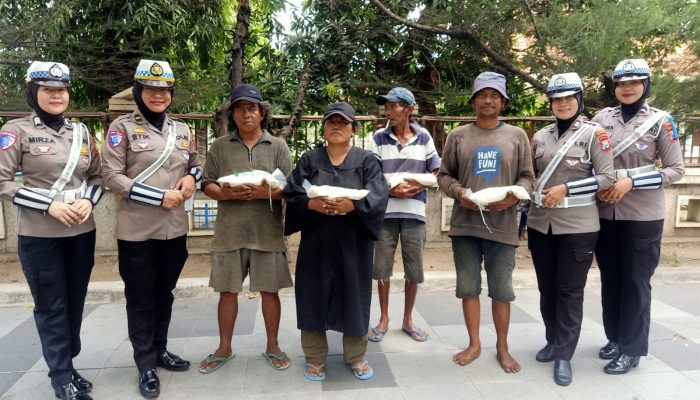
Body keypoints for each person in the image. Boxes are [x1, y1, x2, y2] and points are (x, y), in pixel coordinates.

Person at [0, 61, 102, 400]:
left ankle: (67, 365)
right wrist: (49, 205)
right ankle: (61, 377)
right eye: (48, 89)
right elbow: (2, 181)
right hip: (40, 235)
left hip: (81, 232)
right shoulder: (16, 131)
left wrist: (89, 201)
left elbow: (98, 177)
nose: (57, 95)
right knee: (51, 305)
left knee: (74, 303)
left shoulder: (82, 133)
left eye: (61, 89)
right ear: (34, 92)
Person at [101, 59, 201, 398]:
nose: (158, 95)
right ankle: (145, 363)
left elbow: (196, 163)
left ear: (171, 93)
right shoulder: (121, 128)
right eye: (151, 89)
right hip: (137, 231)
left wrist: (190, 178)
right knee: (141, 298)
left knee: (165, 294)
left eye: (164, 90)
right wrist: (158, 197)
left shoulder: (183, 130)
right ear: (139, 91)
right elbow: (111, 176)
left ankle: (160, 349)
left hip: (174, 230)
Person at [437, 71, 535, 373]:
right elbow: (443, 176)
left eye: (494, 95)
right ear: (473, 100)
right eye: (482, 95)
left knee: (501, 291)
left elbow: (528, 177)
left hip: (503, 226)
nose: (488, 100)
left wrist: (515, 198)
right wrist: (459, 193)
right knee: (468, 288)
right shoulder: (458, 136)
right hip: (466, 225)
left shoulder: (517, 136)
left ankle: (502, 347)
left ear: (503, 101)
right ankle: (474, 343)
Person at [285, 102, 388, 381]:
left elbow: (378, 196)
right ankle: (315, 356)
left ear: (353, 129)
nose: (336, 126)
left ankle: (355, 356)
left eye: (343, 122)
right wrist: (312, 205)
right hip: (317, 242)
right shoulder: (310, 159)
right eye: (331, 121)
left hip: (353, 243)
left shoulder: (367, 161)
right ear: (323, 128)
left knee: (354, 295)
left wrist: (351, 207)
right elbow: (292, 193)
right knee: (312, 294)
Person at [593, 59, 684, 374]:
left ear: (646, 85)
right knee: (611, 279)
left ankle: (632, 349)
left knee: (635, 282)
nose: (627, 88)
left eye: (634, 82)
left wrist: (631, 182)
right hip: (605, 212)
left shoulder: (661, 121)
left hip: (642, 215)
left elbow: (675, 170)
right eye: (621, 83)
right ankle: (616, 338)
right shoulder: (601, 118)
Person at [198, 83, 293, 374]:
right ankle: (224, 348)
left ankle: (273, 346)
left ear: (262, 113)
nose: (246, 114)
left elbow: (290, 187)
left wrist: (266, 192)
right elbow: (207, 183)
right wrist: (227, 194)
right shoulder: (220, 146)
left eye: (252, 108)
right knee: (227, 292)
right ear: (233, 114)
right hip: (229, 233)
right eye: (240, 109)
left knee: (270, 291)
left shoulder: (277, 146)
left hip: (268, 233)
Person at [527, 72, 614, 386]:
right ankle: (553, 339)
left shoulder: (595, 134)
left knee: (569, 290)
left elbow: (607, 178)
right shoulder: (540, 136)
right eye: (556, 99)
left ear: (579, 100)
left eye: (568, 98)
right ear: (551, 102)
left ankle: (565, 354)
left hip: (578, 226)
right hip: (541, 224)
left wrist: (567, 189)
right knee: (547, 288)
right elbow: (531, 178)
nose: (562, 104)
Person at [368, 87, 440, 343]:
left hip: (415, 214)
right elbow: (371, 176)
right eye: (386, 106)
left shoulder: (424, 138)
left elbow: (436, 172)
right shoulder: (377, 138)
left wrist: (417, 187)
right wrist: (392, 188)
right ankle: (384, 318)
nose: (388, 110)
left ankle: (408, 319)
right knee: (382, 269)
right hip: (385, 214)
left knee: (414, 269)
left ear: (409, 109)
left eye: (394, 105)